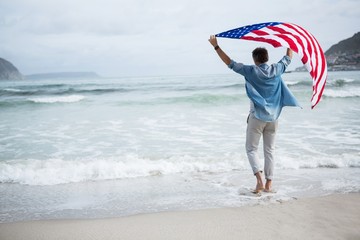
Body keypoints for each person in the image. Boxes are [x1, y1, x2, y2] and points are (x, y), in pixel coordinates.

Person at [208, 35, 300, 193]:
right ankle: (269, 184)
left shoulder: (251, 71)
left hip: (257, 117)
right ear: (266, 58)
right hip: (273, 118)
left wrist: (216, 46)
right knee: (270, 151)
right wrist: (289, 42)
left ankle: (259, 181)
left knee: (251, 149)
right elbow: (288, 57)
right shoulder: (277, 69)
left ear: (255, 59)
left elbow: (229, 62)